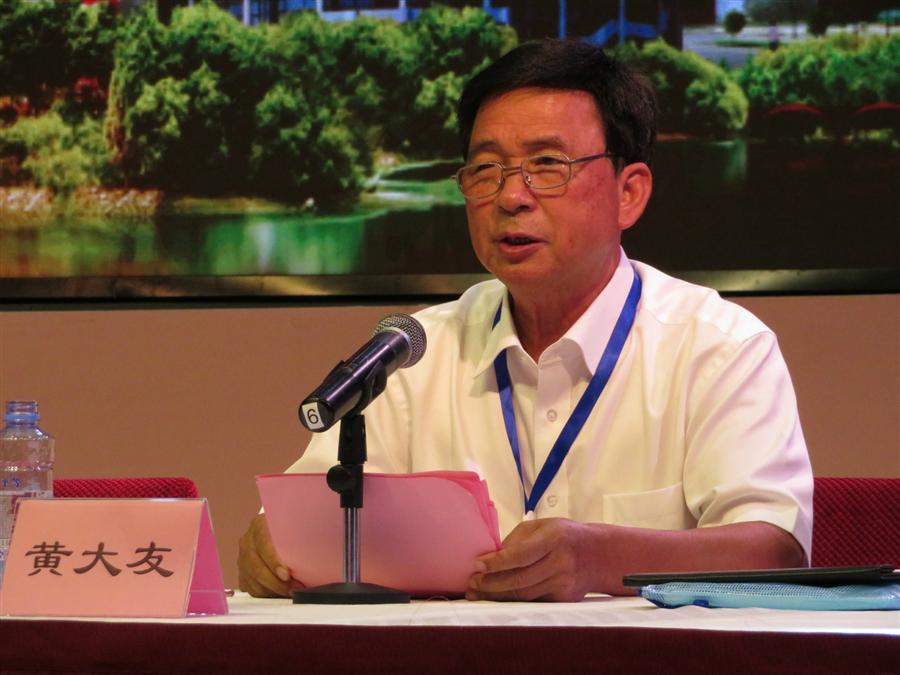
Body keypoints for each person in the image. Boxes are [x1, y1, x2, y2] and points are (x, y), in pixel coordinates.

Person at [238, 39, 813, 602]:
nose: (511, 196)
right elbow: (292, 524)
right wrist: (270, 548)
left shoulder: (719, 347)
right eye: (486, 169)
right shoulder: (414, 353)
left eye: (547, 165)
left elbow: (773, 551)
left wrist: (601, 560)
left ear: (629, 193)